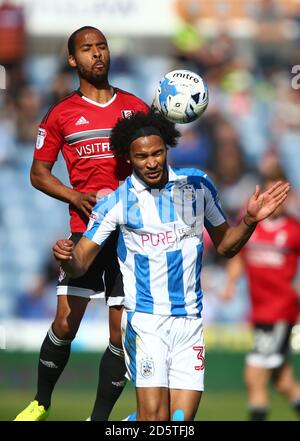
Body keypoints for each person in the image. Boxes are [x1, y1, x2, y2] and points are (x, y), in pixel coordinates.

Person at [52, 110, 290, 421]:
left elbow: (226, 246)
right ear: (128, 157)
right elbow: (81, 261)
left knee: (179, 422)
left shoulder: (198, 185)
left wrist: (248, 220)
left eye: (157, 153)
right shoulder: (117, 201)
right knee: (155, 420)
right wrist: (67, 259)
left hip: (190, 321)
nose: (151, 162)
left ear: (167, 148)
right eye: (141, 156)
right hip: (146, 321)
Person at [14, 26, 149, 421]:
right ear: (73, 60)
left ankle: (98, 420)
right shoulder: (60, 114)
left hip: (130, 236)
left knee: (119, 335)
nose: (97, 54)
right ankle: (41, 402)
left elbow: (156, 163)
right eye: (87, 49)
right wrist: (74, 196)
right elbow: (38, 173)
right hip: (85, 232)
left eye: (102, 46)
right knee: (64, 323)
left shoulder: (136, 108)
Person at [221, 166, 300, 421]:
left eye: (279, 193)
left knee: (254, 376)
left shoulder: (294, 230)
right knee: (283, 381)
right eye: (270, 192)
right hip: (259, 310)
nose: (274, 198)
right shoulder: (251, 224)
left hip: (280, 311)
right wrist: (231, 284)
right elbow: (238, 257)